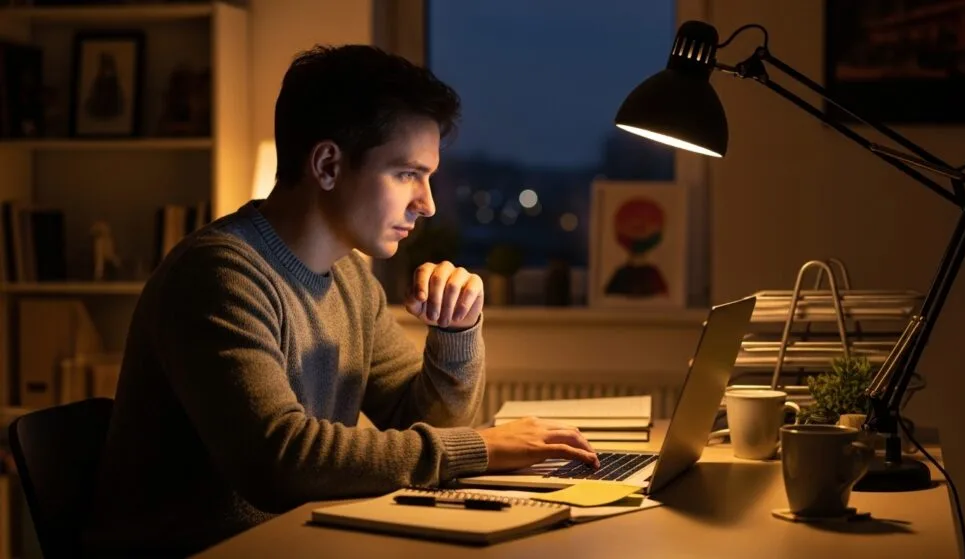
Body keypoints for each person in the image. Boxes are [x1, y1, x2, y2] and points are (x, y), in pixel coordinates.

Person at [85, 45, 599, 557]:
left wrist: (456, 332)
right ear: (328, 164)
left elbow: (428, 425)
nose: (427, 204)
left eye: (428, 176)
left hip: (299, 542)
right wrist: (482, 449)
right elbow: (280, 461)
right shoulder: (218, 275)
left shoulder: (351, 277)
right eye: (406, 174)